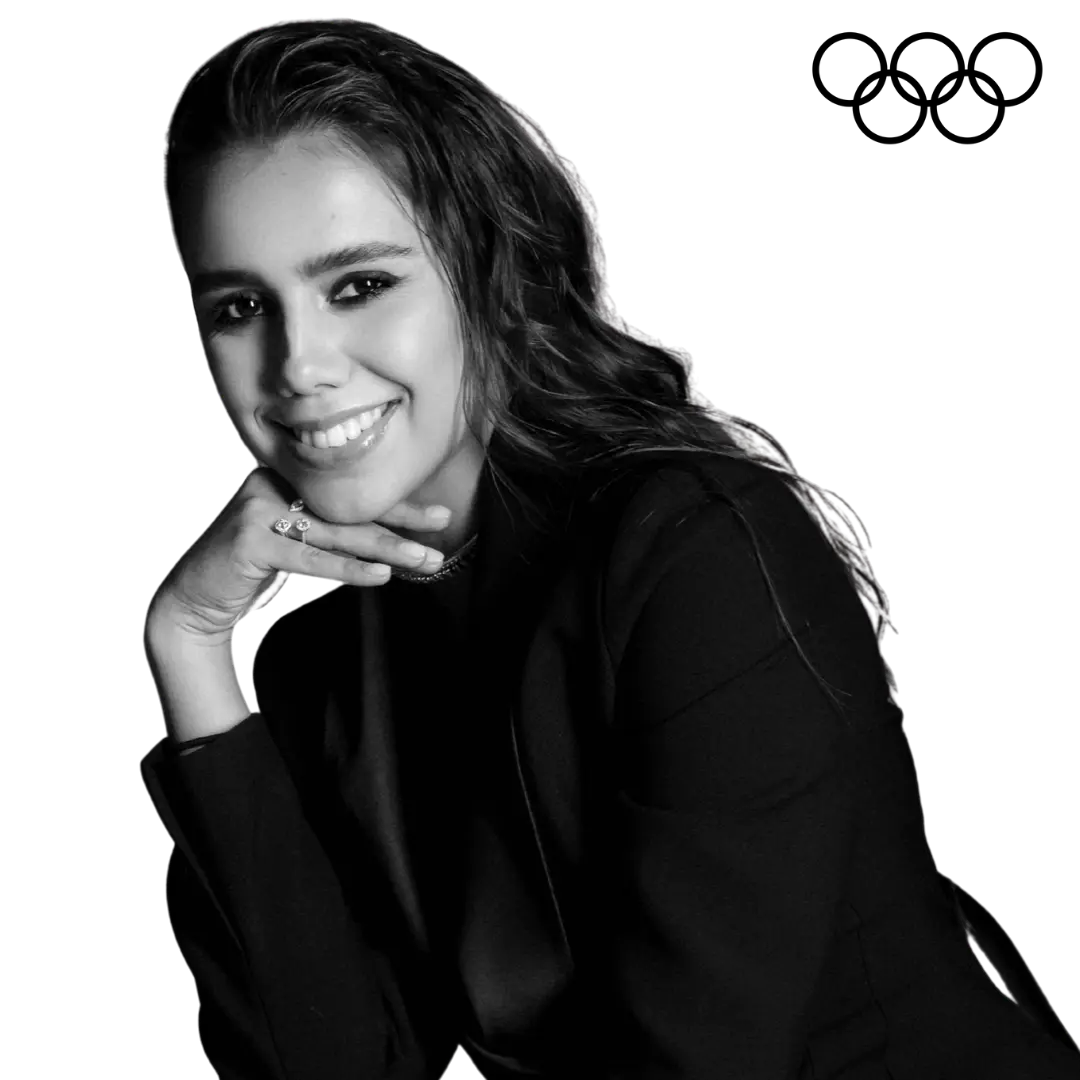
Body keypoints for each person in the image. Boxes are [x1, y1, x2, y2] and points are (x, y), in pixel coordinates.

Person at [142, 18, 1079, 1080]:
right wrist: (191, 645)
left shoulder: (695, 554)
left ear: (490, 273)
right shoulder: (312, 660)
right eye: (240, 308)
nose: (298, 365)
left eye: (359, 285)